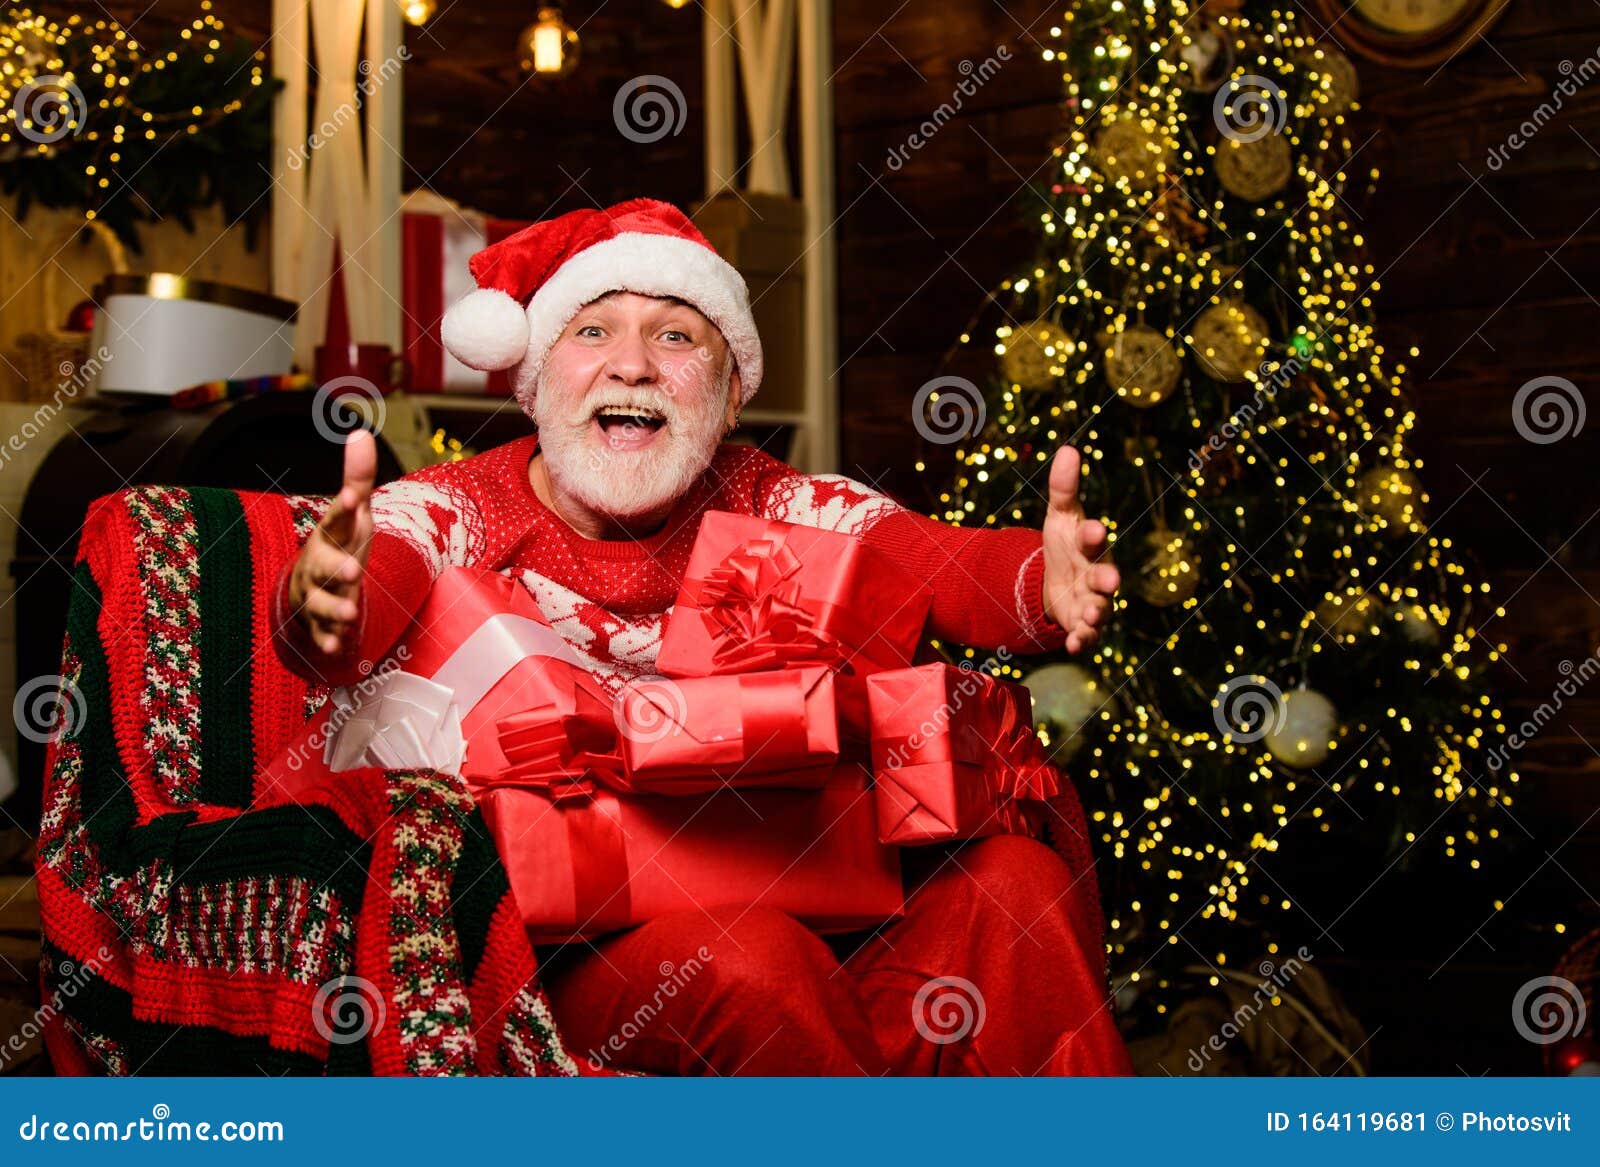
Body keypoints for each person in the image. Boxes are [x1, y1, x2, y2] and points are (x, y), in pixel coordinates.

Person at [272, 197, 1131, 1076]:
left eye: (678, 337)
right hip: (578, 957)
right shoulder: (461, 507)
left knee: (1015, 884)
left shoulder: (770, 497)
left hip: (804, 901)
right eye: (593, 330)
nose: (634, 365)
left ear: (727, 399)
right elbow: (363, 589)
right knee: (754, 955)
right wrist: (327, 601)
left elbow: (927, 561)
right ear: (535, 382)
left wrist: (1041, 583)